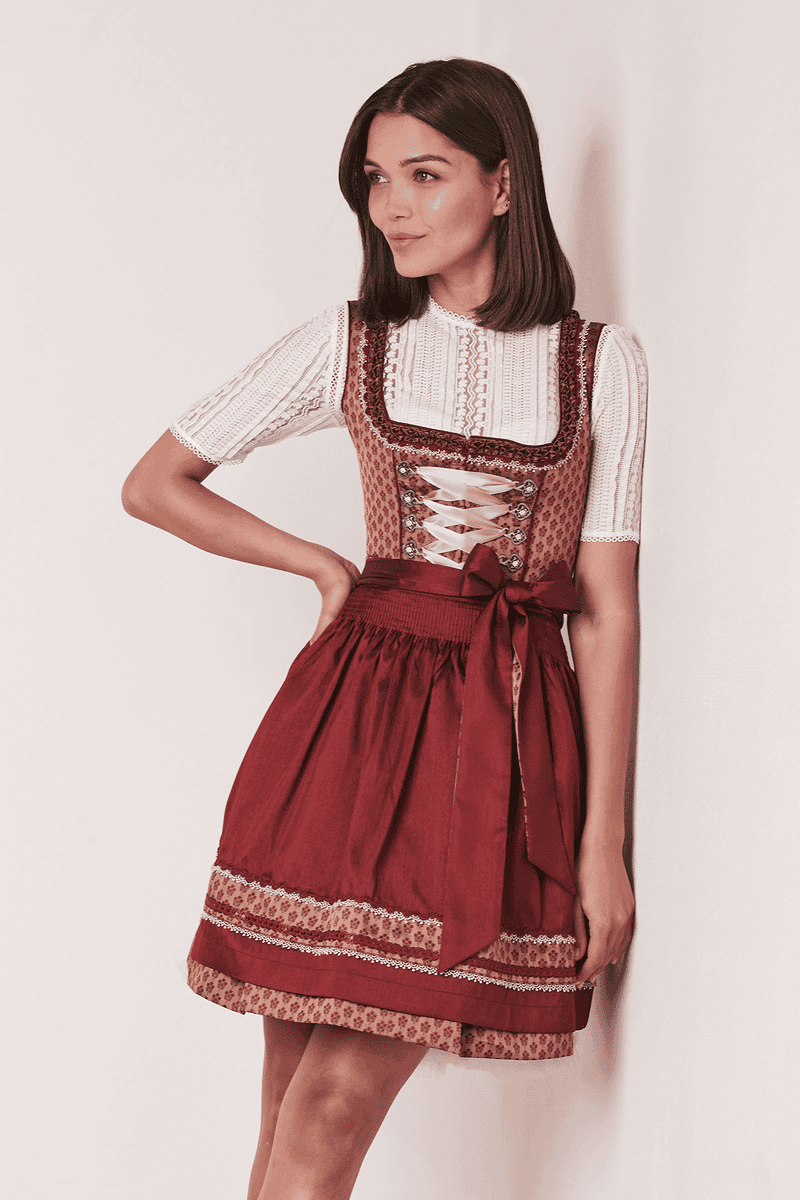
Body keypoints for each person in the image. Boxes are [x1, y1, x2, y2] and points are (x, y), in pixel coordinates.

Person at [123, 57, 645, 1200]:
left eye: (423, 174)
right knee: (289, 1107)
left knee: (325, 1111)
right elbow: (155, 482)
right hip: (345, 736)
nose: (391, 206)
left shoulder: (599, 364)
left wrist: (600, 844)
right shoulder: (352, 342)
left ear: (502, 185)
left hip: (496, 742)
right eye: (374, 179)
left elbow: (606, 612)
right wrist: (317, 563)